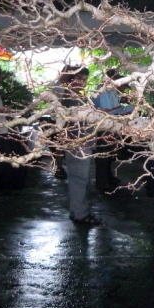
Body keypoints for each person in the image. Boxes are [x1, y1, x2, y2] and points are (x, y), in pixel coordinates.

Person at [59, 66, 102, 226]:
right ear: (72, 79)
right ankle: (80, 214)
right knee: (80, 179)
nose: (83, 83)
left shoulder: (75, 95)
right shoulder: (72, 96)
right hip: (78, 144)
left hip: (79, 143)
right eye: (80, 79)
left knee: (77, 179)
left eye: (84, 80)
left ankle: (76, 210)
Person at [92, 68, 124, 192]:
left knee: (109, 155)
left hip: (111, 126)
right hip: (104, 127)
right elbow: (106, 111)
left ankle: (108, 178)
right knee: (103, 156)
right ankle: (103, 182)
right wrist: (121, 109)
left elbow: (114, 107)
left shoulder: (112, 91)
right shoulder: (103, 90)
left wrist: (121, 108)